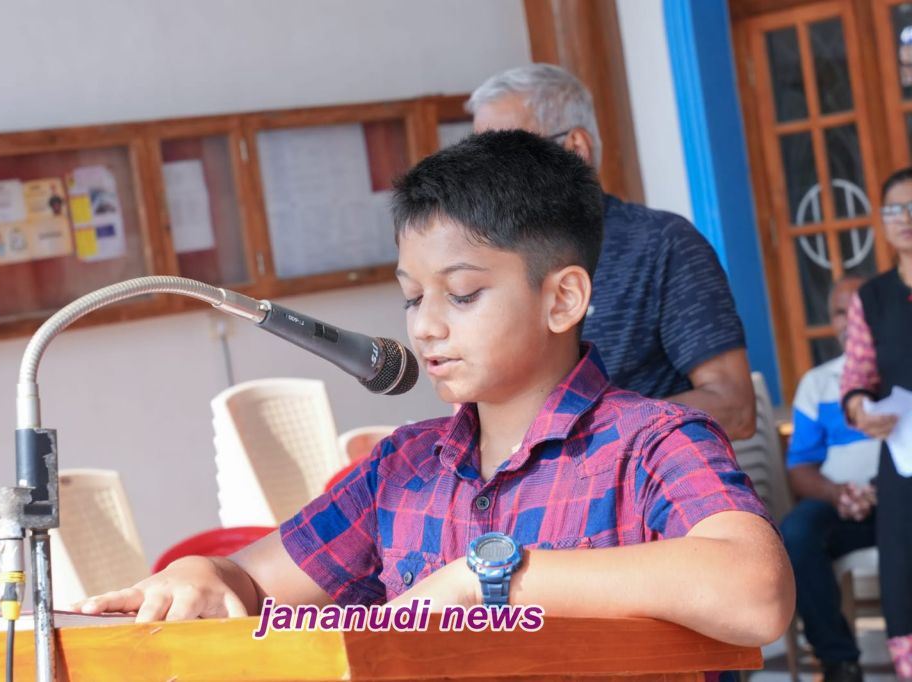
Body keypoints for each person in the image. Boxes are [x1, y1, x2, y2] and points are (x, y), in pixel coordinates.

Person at [76, 131, 792, 654]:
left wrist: (483, 580)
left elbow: (756, 591)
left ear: (563, 299)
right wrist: (200, 572)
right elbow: (248, 581)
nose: (425, 326)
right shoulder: (402, 468)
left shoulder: (652, 443)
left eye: (463, 294)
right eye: (413, 297)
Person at [467, 64, 755, 441]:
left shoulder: (660, 244)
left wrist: (585, 436)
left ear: (576, 148)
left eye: (507, 159)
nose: (489, 181)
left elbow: (735, 407)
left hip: (644, 474)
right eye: (479, 163)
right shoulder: (489, 263)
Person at [780, 275, 878, 682]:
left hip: (902, 503)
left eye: (861, 310)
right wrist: (838, 494)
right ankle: (839, 663)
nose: (851, 322)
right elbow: (800, 470)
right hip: (843, 508)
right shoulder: (817, 384)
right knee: (796, 532)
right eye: (841, 312)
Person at [842, 167, 912, 679]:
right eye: (893, 209)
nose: (904, 217)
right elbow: (857, 379)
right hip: (904, 458)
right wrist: (862, 411)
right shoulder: (872, 298)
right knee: (904, 576)